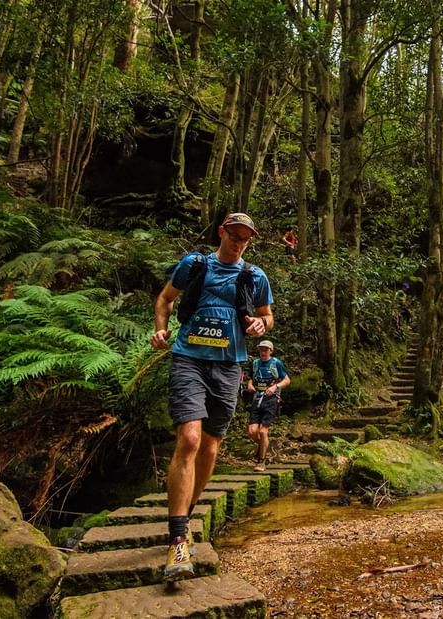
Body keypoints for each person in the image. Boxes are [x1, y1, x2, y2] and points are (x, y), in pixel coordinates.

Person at [150, 212, 274, 580]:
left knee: (210, 448)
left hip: (228, 366)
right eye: (234, 235)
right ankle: (177, 541)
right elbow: (165, 299)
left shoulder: (255, 276)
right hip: (189, 359)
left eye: (245, 238)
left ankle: (184, 515)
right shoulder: (195, 265)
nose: (238, 243)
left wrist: (258, 323)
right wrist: (160, 330)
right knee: (188, 439)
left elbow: (268, 317)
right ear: (221, 232)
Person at [245, 340, 290, 471]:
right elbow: (251, 377)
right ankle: (264, 448)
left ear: (271, 351)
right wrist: (250, 384)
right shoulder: (255, 363)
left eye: (266, 350)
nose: (263, 352)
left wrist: (275, 386)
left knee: (263, 431)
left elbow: (287, 380)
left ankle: (261, 461)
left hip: (271, 399)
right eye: (261, 349)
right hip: (257, 398)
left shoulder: (276, 363)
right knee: (252, 432)